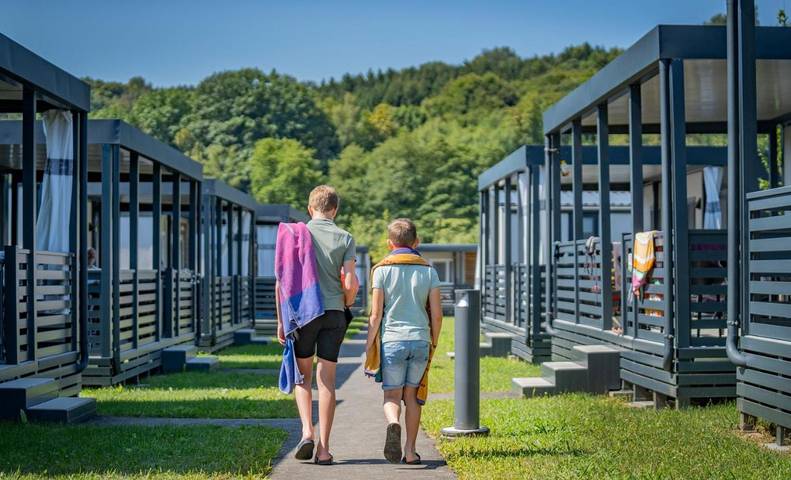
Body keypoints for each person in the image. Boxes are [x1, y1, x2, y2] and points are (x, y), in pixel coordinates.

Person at [277, 185, 358, 465]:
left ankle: (307, 432)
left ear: (310, 208)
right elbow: (350, 283)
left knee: (303, 377)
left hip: (302, 315)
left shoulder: (295, 234)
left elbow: (283, 281)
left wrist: (281, 321)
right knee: (327, 383)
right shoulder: (345, 237)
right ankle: (324, 450)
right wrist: (346, 301)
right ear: (335, 210)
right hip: (334, 314)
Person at [366, 218, 442, 464]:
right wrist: (434, 342)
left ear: (390, 244)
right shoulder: (429, 270)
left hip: (392, 342)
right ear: (416, 242)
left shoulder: (381, 270)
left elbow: (376, 314)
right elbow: (437, 314)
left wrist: (369, 346)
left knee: (391, 396)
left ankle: (393, 423)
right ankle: (410, 452)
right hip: (420, 340)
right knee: (412, 397)